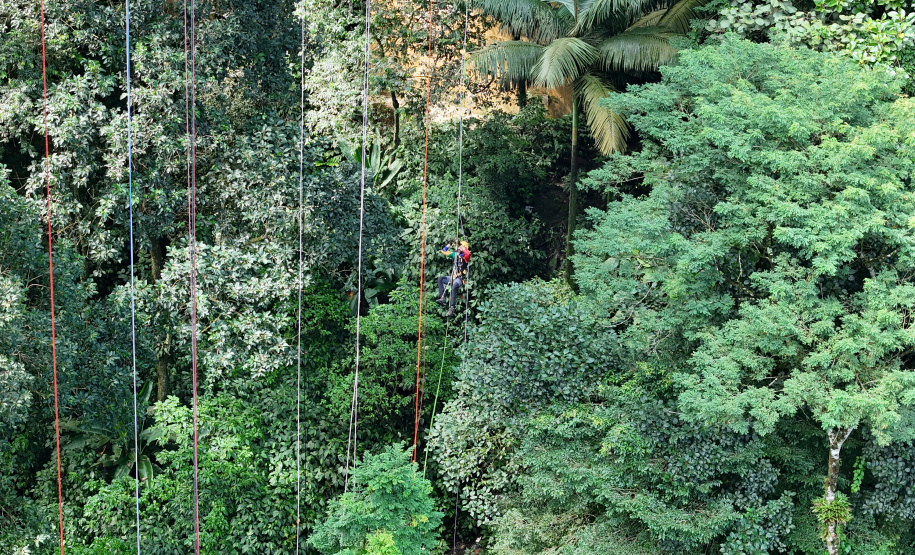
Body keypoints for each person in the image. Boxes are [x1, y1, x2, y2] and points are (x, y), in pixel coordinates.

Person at [436, 240, 470, 317]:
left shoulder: (465, 257)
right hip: (453, 277)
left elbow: (468, 253)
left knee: (454, 286)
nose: (458, 247)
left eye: (460, 246)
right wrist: (450, 244)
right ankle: (442, 298)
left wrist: (463, 248)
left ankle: (452, 308)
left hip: (459, 279)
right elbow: (443, 251)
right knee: (440, 279)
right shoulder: (455, 255)